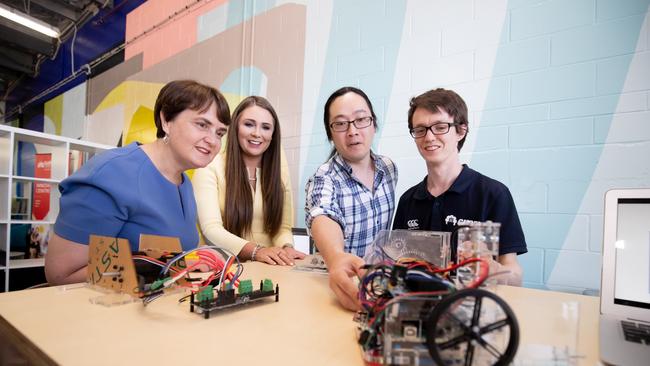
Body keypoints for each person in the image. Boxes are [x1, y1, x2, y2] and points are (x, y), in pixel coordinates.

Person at [45, 80, 231, 285]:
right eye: (202, 124)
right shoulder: (112, 174)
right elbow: (61, 274)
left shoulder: (184, 183)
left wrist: (193, 261)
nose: (213, 141)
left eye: (220, 133)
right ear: (166, 120)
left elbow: (170, 256)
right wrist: (157, 269)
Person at [392, 88, 527, 285]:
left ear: (461, 130)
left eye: (440, 127)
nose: (429, 137)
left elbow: (515, 276)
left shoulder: (493, 194)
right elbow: (399, 262)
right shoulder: (408, 200)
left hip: (472, 306)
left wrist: (491, 268)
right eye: (420, 129)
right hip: (418, 308)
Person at [305, 87, 398, 311]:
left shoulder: (389, 168)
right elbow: (322, 213)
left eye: (361, 119)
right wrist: (336, 257)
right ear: (330, 134)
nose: (352, 131)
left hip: (382, 287)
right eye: (340, 123)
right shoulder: (323, 177)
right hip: (342, 287)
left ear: (373, 124)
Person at [193, 96, 305, 266]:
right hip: (222, 270)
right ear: (236, 126)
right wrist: (257, 251)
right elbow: (211, 230)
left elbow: (282, 228)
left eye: (266, 127)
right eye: (249, 124)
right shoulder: (208, 167)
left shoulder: (279, 173)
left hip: (268, 268)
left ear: (273, 135)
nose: (257, 133)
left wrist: (287, 247)